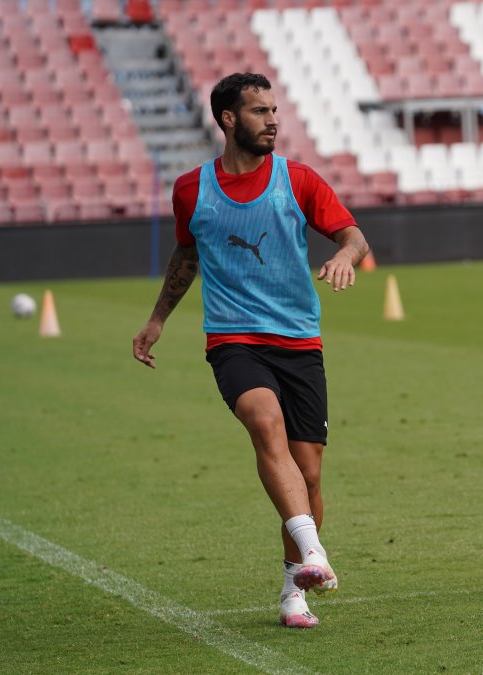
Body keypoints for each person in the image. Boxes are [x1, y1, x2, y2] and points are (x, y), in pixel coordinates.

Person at [131, 73, 370, 628]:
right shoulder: (191, 189)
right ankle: (316, 554)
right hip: (234, 340)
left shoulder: (299, 180)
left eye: (274, 110)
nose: (273, 120)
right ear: (228, 119)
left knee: (308, 475)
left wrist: (344, 258)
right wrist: (158, 318)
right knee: (265, 422)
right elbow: (187, 255)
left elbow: (353, 236)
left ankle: (294, 592)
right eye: (259, 111)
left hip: (301, 342)